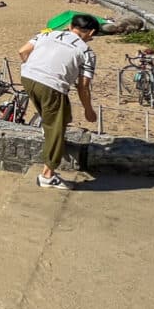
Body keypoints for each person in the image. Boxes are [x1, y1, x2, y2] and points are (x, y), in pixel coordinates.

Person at [18, 13, 100, 190]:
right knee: (56, 127)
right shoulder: (86, 52)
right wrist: (88, 110)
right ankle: (47, 175)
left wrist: (35, 68)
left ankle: (45, 126)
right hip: (52, 84)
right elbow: (83, 87)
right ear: (91, 32)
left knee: (61, 114)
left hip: (27, 77)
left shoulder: (46, 33)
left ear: (71, 26)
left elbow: (23, 51)